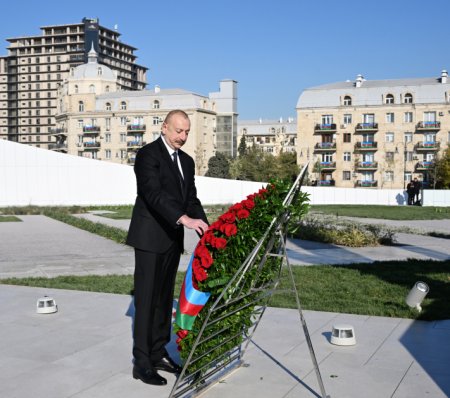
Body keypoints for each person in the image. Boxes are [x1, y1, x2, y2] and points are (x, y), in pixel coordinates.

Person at [126, 110, 209, 386]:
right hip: (149, 238)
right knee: (147, 300)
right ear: (164, 127)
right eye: (178, 131)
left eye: (186, 132)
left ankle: (159, 352)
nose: (182, 137)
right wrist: (183, 218)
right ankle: (142, 362)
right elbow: (153, 194)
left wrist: (207, 229)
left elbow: (191, 199)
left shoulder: (186, 161)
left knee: (163, 301)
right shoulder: (148, 155)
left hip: (171, 240)